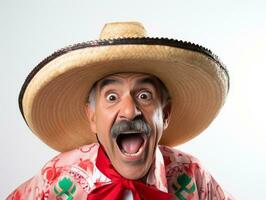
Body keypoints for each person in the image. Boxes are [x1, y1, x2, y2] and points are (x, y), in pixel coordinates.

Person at [7, 22, 233, 199]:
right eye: (112, 97)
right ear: (92, 117)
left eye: (144, 95)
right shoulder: (56, 178)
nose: (129, 110)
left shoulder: (193, 176)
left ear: (165, 114)